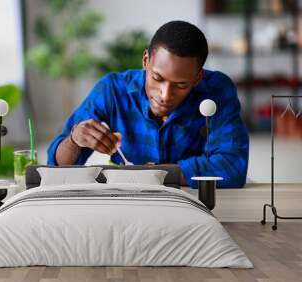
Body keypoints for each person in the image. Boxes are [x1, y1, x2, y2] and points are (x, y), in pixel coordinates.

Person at [47, 20, 249, 188]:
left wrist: (152, 174)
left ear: (197, 78)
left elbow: (232, 167)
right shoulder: (112, 90)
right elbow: (57, 168)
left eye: (180, 85)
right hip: (126, 204)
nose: (165, 94)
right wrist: (75, 139)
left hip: (190, 206)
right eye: (157, 78)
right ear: (145, 60)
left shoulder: (217, 90)